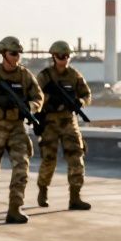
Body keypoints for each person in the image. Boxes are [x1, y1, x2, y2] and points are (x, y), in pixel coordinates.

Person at [0, 36, 44, 224]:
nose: (17, 56)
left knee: (22, 166)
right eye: (13, 53)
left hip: (17, 127)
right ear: (4, 54)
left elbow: (39, 98)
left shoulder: (25, 76)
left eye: (19, 53)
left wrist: (28, 106)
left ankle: (14, 208)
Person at [35, 41, 93, 210]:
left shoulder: (74, 75)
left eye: (67, 56)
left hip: (68, 121)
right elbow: (34, 96)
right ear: (54, 57)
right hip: (50, 122)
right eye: (61, 56)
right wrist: (50, 99)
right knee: (49, 159)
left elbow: (87, 95)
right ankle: (43, 189)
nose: (64, 59)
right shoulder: (45, 76)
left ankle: (75, 197)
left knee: (76, 156)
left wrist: (79, 102)